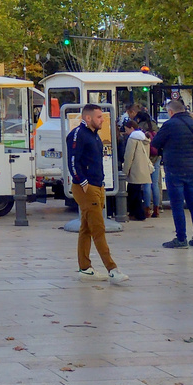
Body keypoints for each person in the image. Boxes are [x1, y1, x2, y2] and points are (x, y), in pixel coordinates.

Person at [70, 104, 130, 283]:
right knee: (98, 228)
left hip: (97, 185)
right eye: (99, 117)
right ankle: (112, 269)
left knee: (87, 228)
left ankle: (85, 267)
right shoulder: (78, 134)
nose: (102, 120)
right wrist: (82, 180)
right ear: (88, 118)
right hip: (87, 187)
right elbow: (73, 160)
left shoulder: (94, 135)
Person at [150, 97, 193, 248]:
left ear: (170, 111)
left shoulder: (169, 125)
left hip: (174, 168)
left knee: (177, 204)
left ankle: (181, 239)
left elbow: (155, 144)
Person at [121, 118, 152, 222]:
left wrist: (125, 171)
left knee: (133, 193)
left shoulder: (132, 139)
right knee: (138, 192)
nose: (126, 132)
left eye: (126, 129)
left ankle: (137, 214)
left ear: (131, 128)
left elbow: (129, 156)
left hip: (134, 169)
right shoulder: (145, 138)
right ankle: (139, 213)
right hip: (143, 169)